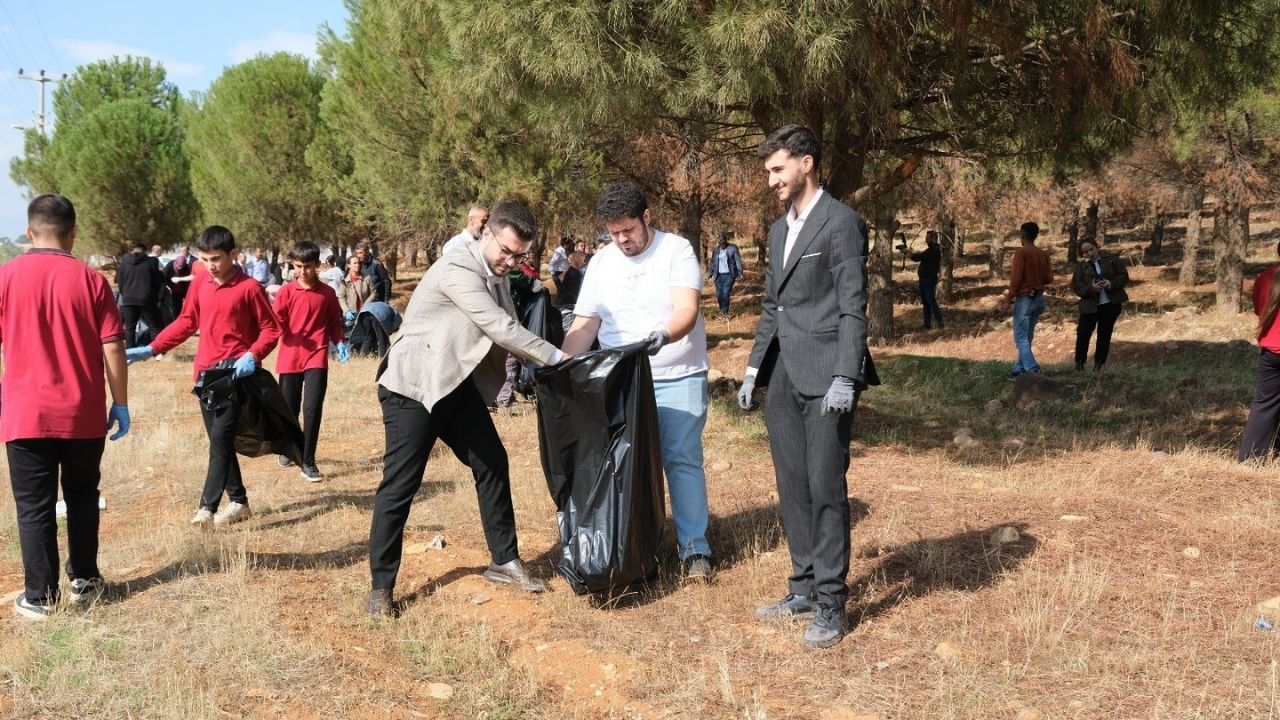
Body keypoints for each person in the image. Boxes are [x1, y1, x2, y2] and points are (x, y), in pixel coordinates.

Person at [367, 199, 565, 617]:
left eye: (519, 255)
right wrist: (557, 358)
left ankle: (504, 561)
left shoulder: (497, 273)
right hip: (414, 386)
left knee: (492, 460)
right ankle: (381, 590)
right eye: (506, 251)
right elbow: (498, 325)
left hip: (452, 385)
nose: (510, 261)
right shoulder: (458, 267)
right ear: (486, 232)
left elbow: (510, 330)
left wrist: (536, 370)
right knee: (400, 486)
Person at [736, 125, 878, 649]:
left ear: (806, 164)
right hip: (785, 378)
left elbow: (851, 306)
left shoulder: (841, 222)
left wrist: (846, 373)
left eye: (777, 169)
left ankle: (832, 604)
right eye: (768, 172)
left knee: (825, 487)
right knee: (792, 484)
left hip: (827, 379)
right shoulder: (779, 230)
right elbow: (773, 306)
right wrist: (754, 370)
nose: (771, 180)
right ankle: (801, 587)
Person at [562, 182, 714, 583]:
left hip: (675, 375)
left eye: (628, 230)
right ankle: (637, 544)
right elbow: (585, 323)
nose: (621, 240)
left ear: (647, 218)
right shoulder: (601, 263)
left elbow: (687, 308)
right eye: (613, 233)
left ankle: (694, 548)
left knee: (680, 460)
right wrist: (563, 363)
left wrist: (663, 336)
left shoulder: (676, 250)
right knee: (625, 466)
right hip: (621, 382)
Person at [2, 194, 130, 620]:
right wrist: (121, 402)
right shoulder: (92, 280)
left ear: (28, 231)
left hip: (24, 413)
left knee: (34, 506)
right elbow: (113, 346)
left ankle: (40, 596)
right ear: (73, 233)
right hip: (83, 412)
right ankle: (86, 579)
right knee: (82, 496)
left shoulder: (5, 277)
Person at [126, 226, 282, 527]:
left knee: (220, 441)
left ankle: (206, 509)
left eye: (216, 259)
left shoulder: (249, 288)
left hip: (235, 376)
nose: (211, 265)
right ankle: (238, 502)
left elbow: (271, 329)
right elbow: (187, 321)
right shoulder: (200, 283)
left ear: (233, 255)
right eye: (205, 259)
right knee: (219, 440)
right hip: (205, 377)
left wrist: (252, 355)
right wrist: (153, 348)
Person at [273, 240, 350, 481]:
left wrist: (339, 342)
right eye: (298, 266)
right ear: (292, 265)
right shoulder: (286, 292)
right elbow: (275, 323)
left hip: (317, 356)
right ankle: (288, 447)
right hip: (290, 356)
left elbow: (333, 323)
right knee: (290, 408)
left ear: (317, 265)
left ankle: (308, 461)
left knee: (312, 408)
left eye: (308, 266)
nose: (303, 271)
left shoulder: (327, 293)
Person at [1239, 242, 1280, 462]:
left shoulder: (1265, 277)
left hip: (1270, 353)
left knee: (1265, 404)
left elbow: (1258, 309)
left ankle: (1250, 459)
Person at [998, 222, 1053, 379]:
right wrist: (1037, 282)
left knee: (1020, 338)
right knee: (1027, 336)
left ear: (1022, 235)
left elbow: (1015, 279)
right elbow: (1049, 278)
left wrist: (1008, 298)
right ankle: (1018, 370)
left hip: (1025, 300)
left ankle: (1032, 369)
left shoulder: (1021, 253)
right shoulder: (1043, 254)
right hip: (1039, 299)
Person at [1071, 239, 1128, 372]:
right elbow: (1076, 286)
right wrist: (1091, 289)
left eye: (1091, 249)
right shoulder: (1081, 267)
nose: (1089, 253)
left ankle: (1099, 366)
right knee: (1083, 333)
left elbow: (1124, 276)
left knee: (1104, 334)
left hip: (1110, 304)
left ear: (1096, 247)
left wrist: (1110, 283)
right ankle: (1079, 364)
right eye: (1085, 252)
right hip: (1089, 306)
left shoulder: (1111, 259)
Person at [116, 242, 168, 348]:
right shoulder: (152, 262)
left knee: (130, 327)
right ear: (145, 251)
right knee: (154, 326)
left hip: (128, 299)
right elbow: (157, 281)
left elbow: (120, 281)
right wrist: (156, 295)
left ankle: (130, 351)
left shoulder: (124, 263)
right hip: (147, 299)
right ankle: (157, 351)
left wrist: (125, 294)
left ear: (132, 250)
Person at [909, 230, 944, 330]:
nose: (926, 240)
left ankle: (940, 322)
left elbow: (920, 257)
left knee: (930, 300)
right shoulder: (933, 249)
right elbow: (922, 255)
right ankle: (927, 324)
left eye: (928, 238)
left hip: (929, 279)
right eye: (926, 238)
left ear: (933, 239)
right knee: (925, 301)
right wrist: (911, 253)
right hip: (925, 278)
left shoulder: (934, 250)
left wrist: (909, 254)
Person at [707, 231, 745, 315]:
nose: (722, 245)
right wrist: (709, 274)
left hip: (729, 274)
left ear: (726, 241)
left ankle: (725, 313)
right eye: (720, 243)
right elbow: (713, 263)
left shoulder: (733, 248)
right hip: (718, 276)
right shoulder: (716, 250)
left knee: (725, 293)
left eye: (723, 243)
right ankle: (722, 310)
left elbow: (738, 261)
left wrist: (740, 273)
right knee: (719, 295)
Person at [339, 255, 375, 323]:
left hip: (366, 313)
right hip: (351, 316)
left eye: (359, 263)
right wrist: (346, 311)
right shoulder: (344, 281)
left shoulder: (367, 278)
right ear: (349, 265)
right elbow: (341, 297)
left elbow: (373, 293)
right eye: (355, 263)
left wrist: (365, 306)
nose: (357, 265)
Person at [163, 245, 196, 311]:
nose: (180, 268)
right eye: (178, 266)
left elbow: (188, 278)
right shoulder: (170, 264)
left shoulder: (187, 266)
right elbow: (164, 276)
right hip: (170, 289)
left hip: (180, 290)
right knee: (170, 306)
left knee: (178, 306)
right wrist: (167, 286)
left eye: (181, 267)